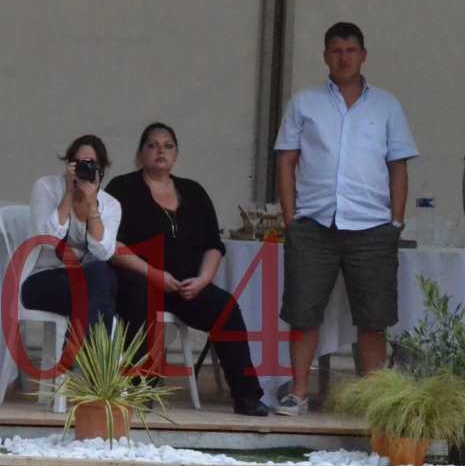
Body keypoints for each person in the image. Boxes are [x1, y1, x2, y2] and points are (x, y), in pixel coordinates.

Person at [273, 21, 418, 416]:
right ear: (325, 56)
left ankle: (373, 399)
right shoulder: (305, 101)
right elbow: (286, 161)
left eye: (351, 50)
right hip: (314, 223)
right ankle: (298, 392)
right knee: (303, 312)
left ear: (363, 55)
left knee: (373, 317)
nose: (343, 57)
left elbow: (398, 167)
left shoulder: (387, 105)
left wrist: (396, 222)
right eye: (336, 50)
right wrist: (291, 219)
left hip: (372, 226)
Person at [107, 122, 269, 417]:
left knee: (225, 308)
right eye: (152, 145)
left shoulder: (193, 191)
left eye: (168, 145)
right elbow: (111, 245)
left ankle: (247, 396)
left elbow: (213, 245)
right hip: (138, 279)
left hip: (185, 285)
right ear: (140, 153)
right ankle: (143, 389)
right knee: (142, 296)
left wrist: (203, 280)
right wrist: (155, 275)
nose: (160, 151)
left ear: (176, 154)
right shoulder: (122, 188)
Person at [23, 134, 122, 333]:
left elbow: (103, 253)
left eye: (90, 164)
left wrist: (92, 205)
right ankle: (95, 359)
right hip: (42, 279)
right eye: (77, 163)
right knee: (99, 284)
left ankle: (80, 355)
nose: (83, 169)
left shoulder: (110, 205)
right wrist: (69, 193)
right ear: (69, 165)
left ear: (101, 170)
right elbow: (48, 241)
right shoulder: (47, 187)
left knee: (100, 275)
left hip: (88, 280)